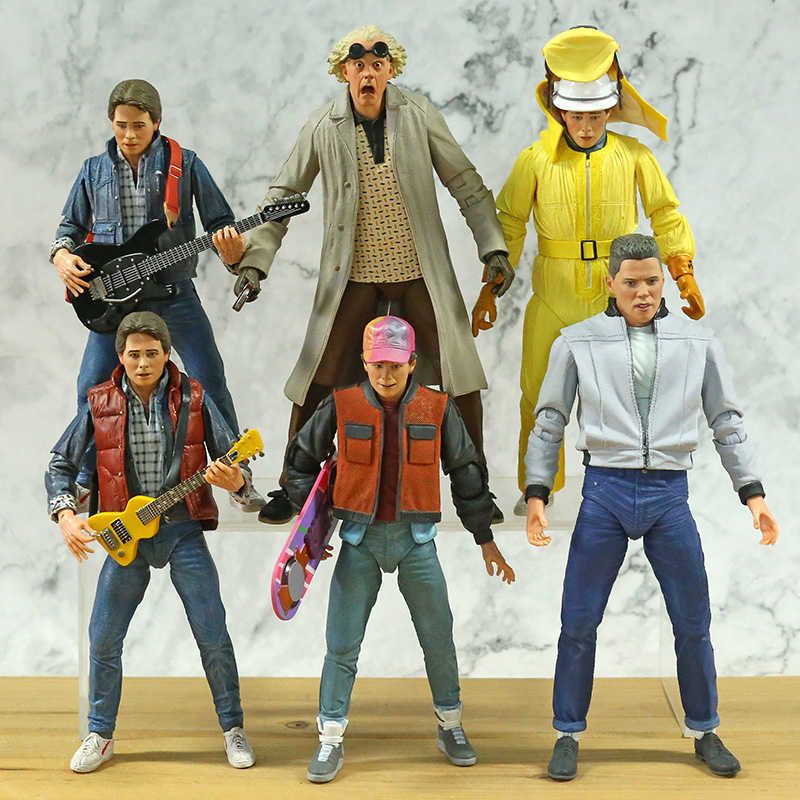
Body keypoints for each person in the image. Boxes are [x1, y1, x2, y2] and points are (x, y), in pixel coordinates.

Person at [215, 25, 513, 524]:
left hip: (419, 271)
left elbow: (466, 182)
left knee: (458, 373)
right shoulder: (323, 126)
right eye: (358, 66)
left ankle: (475, 490)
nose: (368, 75)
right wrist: (254, 262)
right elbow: (282, 196)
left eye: (377, 65)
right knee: (319, 374)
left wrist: (492, 246)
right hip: (351, 275)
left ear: (391, 69)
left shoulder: (418, 116)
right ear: (343, 71)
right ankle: (294, 486)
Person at [523, 233, 779, 780]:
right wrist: (538, 492)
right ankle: (567, 732)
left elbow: (726, 420)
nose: (643, 292)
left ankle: (705, 728)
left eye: (652, 281)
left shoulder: (697, 341)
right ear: (610, 283)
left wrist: (752, 492)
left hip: (669, 494)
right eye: (631, 282)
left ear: (664, 281)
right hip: (605, 491)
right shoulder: (577, 342)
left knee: (693, 620)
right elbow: (549, 419)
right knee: (578, 620)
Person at [475, 26, 703, 510]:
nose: (585, 126)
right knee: (539, 393)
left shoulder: (634, 156)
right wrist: (490, 287)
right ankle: (538, 487)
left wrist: (682, 269)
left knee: (624, 397)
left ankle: (623, 486)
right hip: (552, 295)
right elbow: (509, 221)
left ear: (611, 110)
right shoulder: (536, 160)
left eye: (595, 114)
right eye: (576, 115)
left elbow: (665, 213)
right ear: (559, 110)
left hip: (615, 295)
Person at [282, 315, 515, 783]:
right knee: (341, 645)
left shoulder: (437, 407)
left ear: (412, 363)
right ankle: (330, 736)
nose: (385, 375)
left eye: (395, 365)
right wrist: (311, 533)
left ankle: (450, 724)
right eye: (377, 364)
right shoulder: (342, 404)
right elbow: (302, 460)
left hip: (416, 542)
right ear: (364, 362)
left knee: (438, 639)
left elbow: (466, 472)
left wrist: (485, 539)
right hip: (359, 541)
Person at [46, 311, 257, 773]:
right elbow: (60, 463)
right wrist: (64, 514)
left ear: (167, 354)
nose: (143, 363)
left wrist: (238, 480)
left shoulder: (195, 398)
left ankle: (233, 728)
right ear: (120, 357)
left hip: (182, 530)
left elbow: (236, 461)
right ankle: (100, 733)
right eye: (134, 354)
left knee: (212, 633)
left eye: (152, 353)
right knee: (103, 637)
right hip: (128, 538)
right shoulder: (99, 402)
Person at [49, 78, 261, 509]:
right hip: (112, 302)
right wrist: (61, 256)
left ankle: (237, 473)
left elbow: (221, 221)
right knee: (90, 385)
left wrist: (232, 248)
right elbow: (69, 227)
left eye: (139, 126)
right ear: (111, 122)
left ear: (157, 122)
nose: (129, 135)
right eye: (121, 125)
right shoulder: (92, 170)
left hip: (173, 292)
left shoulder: (185, 164)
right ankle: (85, 479)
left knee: (208, 378)